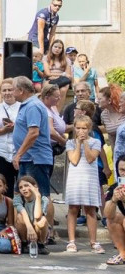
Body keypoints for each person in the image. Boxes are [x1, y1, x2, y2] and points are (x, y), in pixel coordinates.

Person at [11, 76, 56, 219]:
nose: (11, 92)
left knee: (42, 194)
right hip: (28, 157)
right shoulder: (28, 105)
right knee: (24, 194)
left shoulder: (33, 106)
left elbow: (33, 132)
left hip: (35, 158)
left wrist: (18, 154)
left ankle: (48, 231)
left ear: (21, 90)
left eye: (13, 89)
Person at [63, 116, 104, 253]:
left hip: (89, 179)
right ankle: (71, 241)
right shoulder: (70, 143)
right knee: (73, 209)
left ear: (89, 129)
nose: (81, 131)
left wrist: (85, 143)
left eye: (84, 128)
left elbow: (91, 158)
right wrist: (78, 144)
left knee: (90, 210)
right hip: (75, 179)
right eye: (78, 128)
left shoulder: (96, 142)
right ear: (74, 128)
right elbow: (73, 160)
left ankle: (93, 241)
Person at [13, 175, 51, 256]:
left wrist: (37, 196)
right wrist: (29, 228)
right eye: (21, 187)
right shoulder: (18, 199)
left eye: (26, 186)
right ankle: (24, 244)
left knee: (42, 220)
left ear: (35, 187)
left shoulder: (43, 199)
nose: (23, 189)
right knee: (20, 217)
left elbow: (37, 216)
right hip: (26, 228)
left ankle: (41, 244)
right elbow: (23, 212)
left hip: (37, 228)